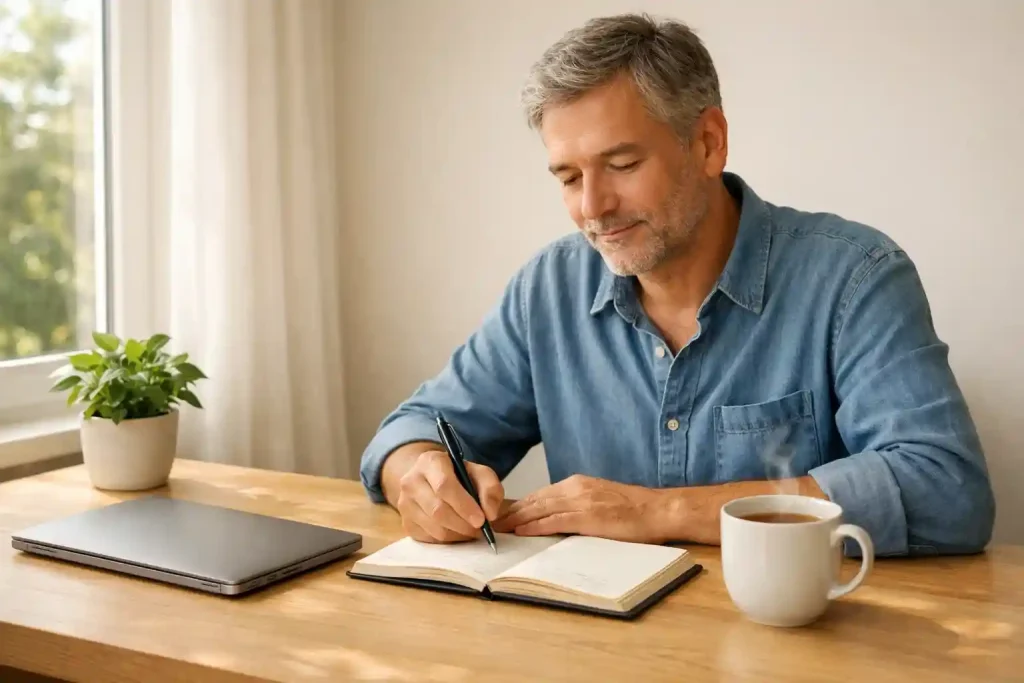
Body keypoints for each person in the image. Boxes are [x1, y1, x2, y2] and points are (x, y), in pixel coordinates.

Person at [358, 13, 995, 557]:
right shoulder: (548, 290)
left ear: (709, 143)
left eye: (623, 164)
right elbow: (415, 427)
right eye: (568, 177)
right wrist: (416, 473)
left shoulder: (855, 278)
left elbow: (945, 489)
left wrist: (660, 512)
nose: (593, 207)